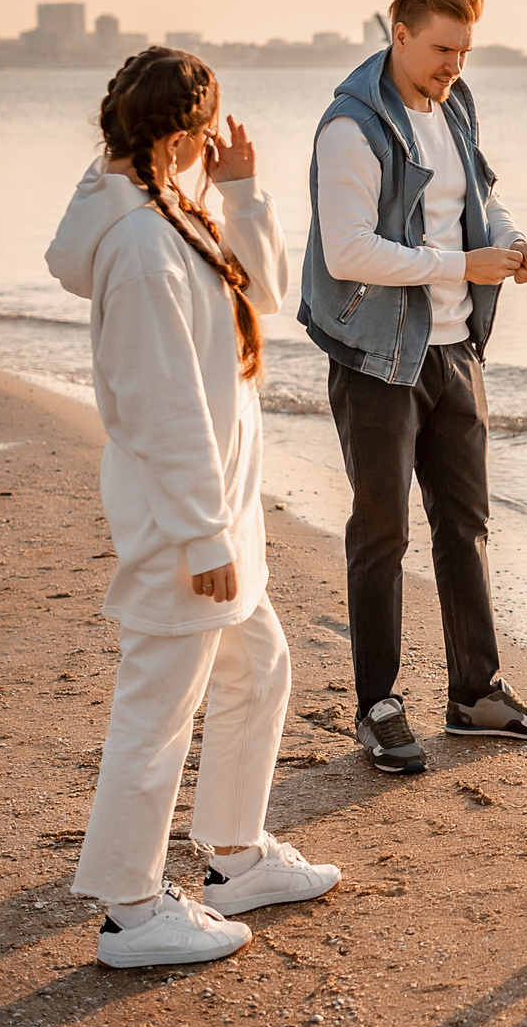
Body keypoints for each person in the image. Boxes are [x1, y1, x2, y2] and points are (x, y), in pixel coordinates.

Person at [45, 47, 341, 969]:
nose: (216, 142)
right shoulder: (139, 245)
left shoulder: (173, 208)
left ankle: (237, 856)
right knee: (157, 707)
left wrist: (242, 189)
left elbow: (268, 291)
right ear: (179, 136)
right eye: (207, 132)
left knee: (260, 664)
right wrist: (204, 534)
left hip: (217, 508)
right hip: (183, 520)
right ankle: (131, 913)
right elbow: (161, 402)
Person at [298, 0, 527, 775]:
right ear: (400, 32)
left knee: (466, 525)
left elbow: (478, 198)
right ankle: (377, 706)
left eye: (464, 51)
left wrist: (512, 243)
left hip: (455, 351)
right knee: (382, 532)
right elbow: (347, 250)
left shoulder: (454, 106)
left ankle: (476, 695)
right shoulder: (351, 127)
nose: (455, 65)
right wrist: (461, 265)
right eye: (443, 48)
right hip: (378, 360)